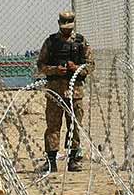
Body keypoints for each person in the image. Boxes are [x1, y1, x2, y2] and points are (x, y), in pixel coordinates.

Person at [36, 11, 95, 173]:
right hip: (55, 92)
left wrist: (76, 68)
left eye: (69, 27)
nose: (66, 30)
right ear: (59, 23)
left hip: (74, 92)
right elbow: (40, 65)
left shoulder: (81, 42)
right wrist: (55, 70)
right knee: (53, 126)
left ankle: (73, 160)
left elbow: (91, 65)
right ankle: (51, 161)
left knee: (74, 126)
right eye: (64, 27)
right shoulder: (50, 42)